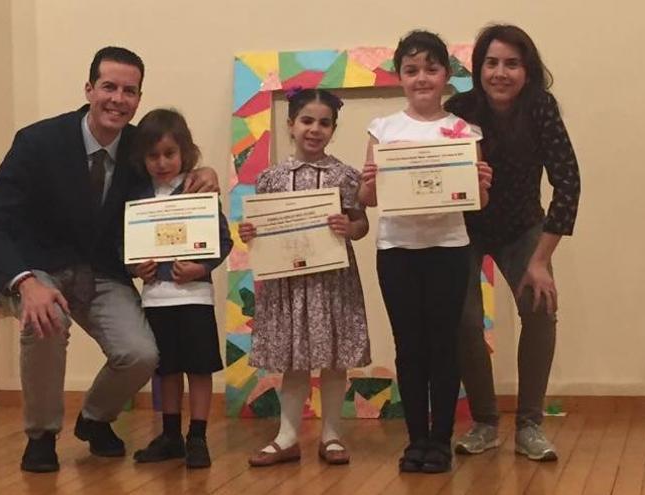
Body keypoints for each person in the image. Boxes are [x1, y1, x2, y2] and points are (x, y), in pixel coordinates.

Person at [0, 46, 219, 473]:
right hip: (38, 268)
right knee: (47, 320)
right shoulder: (37, 142)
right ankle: (42, 435)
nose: (118, 99)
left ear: (139, 98)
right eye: (109, 87)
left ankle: (94, 419)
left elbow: (175, 177)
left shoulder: (142, 148)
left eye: (129, 91)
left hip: (101, 273)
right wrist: (25, 282)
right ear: (89, 89)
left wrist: (205, 173)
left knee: (143, 353)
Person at [358, 30, 492, 473]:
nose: (421, 78)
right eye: (411, 70)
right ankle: (415, 440)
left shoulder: (462, 130)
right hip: (396, 249)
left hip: (450, 248)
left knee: (443, 345)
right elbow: (369, 200)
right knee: (409, 346)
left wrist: (482, 184)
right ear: (400, 76)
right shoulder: (383, 129)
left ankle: (441, 439)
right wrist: (369, 183)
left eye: (431, 69)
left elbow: (478, 201)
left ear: (445, 76)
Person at [445, 24, 581, 462]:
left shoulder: (541, 109)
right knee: (463, 319)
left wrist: (541, 260)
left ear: (527, 70)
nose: (500, 73)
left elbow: (569, 184)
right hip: (463, 227)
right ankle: (484, 422)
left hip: (523, 226)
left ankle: (530, 425)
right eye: (491, 63)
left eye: (512, 63)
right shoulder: (459, 109)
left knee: (541, 309)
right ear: (478, 68)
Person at [238, 88, 371, 467]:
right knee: (294, 358)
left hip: (333, 282)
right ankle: (287, 435)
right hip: (289, 283)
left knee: (333, 356)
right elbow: (260, 229)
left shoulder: (346, 175)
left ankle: (331, 434)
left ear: (333, 128)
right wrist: (251, 233)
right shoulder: (270, 178)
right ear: (291, 125)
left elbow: (360, 224)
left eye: (324, 122)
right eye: (307, 121)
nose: (315, 129)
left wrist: (351, 226)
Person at [126, 109, 232, 469]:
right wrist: (134, 266)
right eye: (153, 155)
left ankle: (197, 437)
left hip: (196, 297)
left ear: (185, 152)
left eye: (169, 154)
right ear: (142, 158)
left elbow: (222, 240)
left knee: (199, 368)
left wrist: (202, 267)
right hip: (155, 298)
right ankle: (170, 435)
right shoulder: (138, 196)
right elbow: (126, 245)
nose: (161, 162)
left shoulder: (198, 188)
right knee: (166, 369)